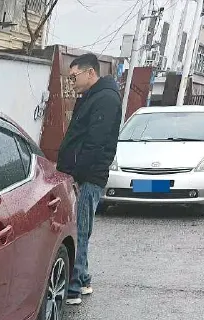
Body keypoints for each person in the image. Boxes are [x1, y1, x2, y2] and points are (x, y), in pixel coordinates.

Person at [56, 54, 122, 305]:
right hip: (86, 174)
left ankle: (72, 288)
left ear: (90, 73)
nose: (72, 82)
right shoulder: (95, 97)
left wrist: (78, 175)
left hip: (87, 177)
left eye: (74, 77)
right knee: (82, 227)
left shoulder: (104, 99)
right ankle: (82, 279)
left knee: (79, 229)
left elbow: (95, 143)